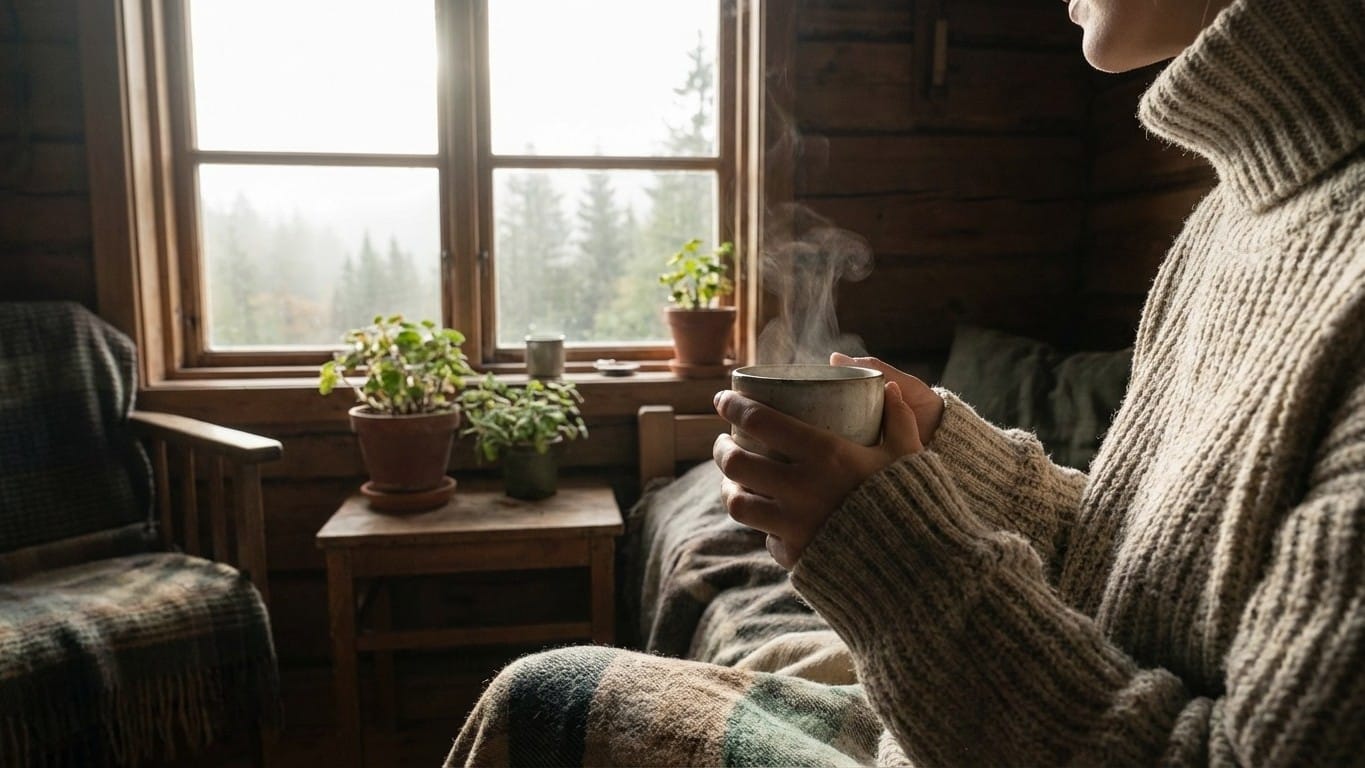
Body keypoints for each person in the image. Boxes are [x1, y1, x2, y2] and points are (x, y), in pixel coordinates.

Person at [450, 0, 1363, 762]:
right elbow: (1131, 566)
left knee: (544, 710)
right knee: (542, 696)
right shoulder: (1230, 217)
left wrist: (889, 555)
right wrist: (941, 454)